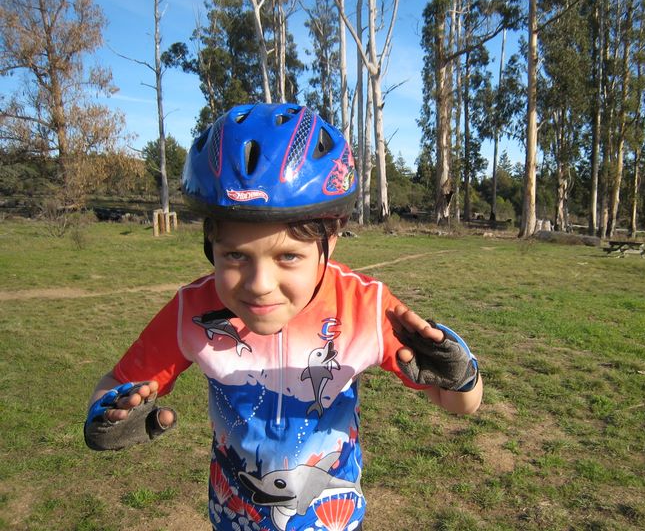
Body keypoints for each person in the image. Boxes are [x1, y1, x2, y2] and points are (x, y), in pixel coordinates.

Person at [84, 103, 482, 531]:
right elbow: (118, 381)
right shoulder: (193, 312)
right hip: (234, 518)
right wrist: (105, 418)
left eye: (288, 256)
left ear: (331, 237)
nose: (259, 284)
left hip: (332, 519)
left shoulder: (364, 308)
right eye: (235, 256)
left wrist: (461, 378)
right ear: (209, 243)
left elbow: (459, 404)